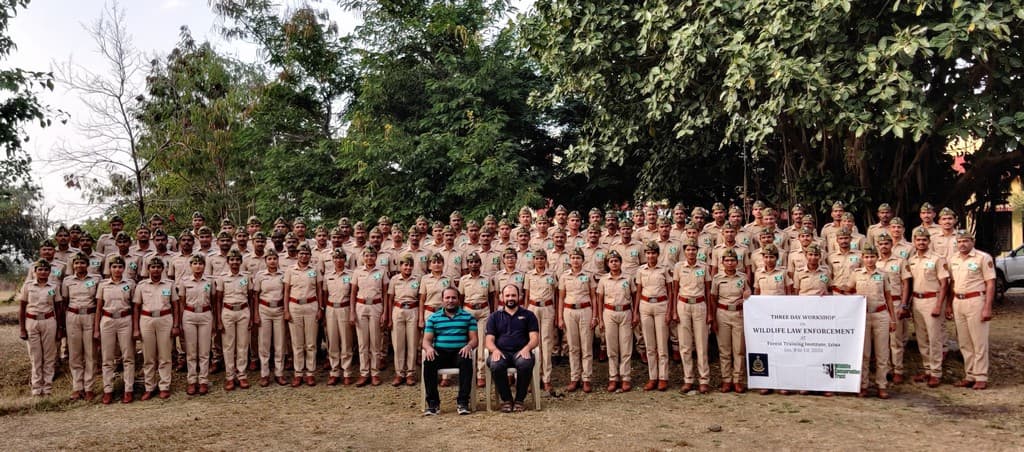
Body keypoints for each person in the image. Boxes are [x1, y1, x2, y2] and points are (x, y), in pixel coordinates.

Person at [948, 229, 995, 390]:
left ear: (972, 242)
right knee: (964, 341)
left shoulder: (983, 258)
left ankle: (981, 376)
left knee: (978, 341)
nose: (962, 244)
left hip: (976, 300)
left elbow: (990, 283)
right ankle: (970, 375)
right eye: (959, 241)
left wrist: (987, 307)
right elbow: (952, 283)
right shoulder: (953, 259)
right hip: (958, 301)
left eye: (965, 241)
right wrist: (949, 304)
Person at [421, 287, 478, 416]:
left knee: (466, 361)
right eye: (447, 298)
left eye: (453, 298)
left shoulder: (468, 317)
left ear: (458, 300)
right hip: (440, 352)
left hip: (460, 352)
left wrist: (469, 346)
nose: (450, 300)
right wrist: (429, 348)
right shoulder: (433, 318)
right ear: (442, 300)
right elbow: (426, 341)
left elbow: (474, 340)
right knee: (429, 362)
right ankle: (433, 404)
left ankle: (463, 403)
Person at [485, 284, 540, 413]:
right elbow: (489, 340)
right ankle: (507, 400)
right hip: (501, 352)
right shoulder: (494, 317)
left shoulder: (529, 315)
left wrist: (527, 348)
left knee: (525, 363)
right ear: (501, 297)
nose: (510, 298)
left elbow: (534, 338)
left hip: (521, 352)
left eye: (513, 295)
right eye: (507, 295)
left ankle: (520, 400)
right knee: (496, 364)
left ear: (519, 297)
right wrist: (495, 350)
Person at [851, 245, 896, 399]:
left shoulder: (883, 275)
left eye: (872, 257)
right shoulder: (856, 274)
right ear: (862, 258)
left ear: (877, 258)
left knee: (882, 353)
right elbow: (850, 292)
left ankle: (881, 385)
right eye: (866, 257)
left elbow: (889, 297)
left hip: (881, 315)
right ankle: (863, 385)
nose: (869, 260)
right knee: (864, 352)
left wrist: (893, 318)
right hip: (862, 317)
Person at [907, 228, 949, 387]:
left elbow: (944, 283)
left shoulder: (938, 259)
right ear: (914, 242)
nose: (921, 242)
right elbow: (910, 284)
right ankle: (927, 370)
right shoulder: (912, 260)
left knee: (934, 338)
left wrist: (939, 305)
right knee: (922, 338)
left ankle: (936, 372)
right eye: (918, 240)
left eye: (924, 240)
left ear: (929, 241)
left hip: (933, 299)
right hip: (917, 301)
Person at [133, 257, 179, 400]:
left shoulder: (169, 285)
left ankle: (164, 386)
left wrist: (176, 325)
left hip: (165, 318)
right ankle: (149, 386)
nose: (156, 270)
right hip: (146, 319)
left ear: (163, 269)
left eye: (159, 267)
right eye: (153, 267)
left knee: (165, 355)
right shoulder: (141, 285)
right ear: (148, 269)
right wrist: (136, 328)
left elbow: (176, 306)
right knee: (149, 356)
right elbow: (136, 307)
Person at [672, 239, 712, 394]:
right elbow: (675, 290)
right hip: (683, 304)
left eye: (694, 249)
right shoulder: (678, 267)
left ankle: (704, 379)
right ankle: (688, 379)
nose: (691, 252)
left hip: (700, 305)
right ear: (684, 251)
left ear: (697, 251)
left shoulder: (704, 267)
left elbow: (708, 291)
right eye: (688, 249)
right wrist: (675, 311)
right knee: (685, 345)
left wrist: (709, 312)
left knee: (701, 344)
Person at [95, 255, 136, 403]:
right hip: (107, 320)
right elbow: (99, 308)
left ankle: (129, 389)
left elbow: (134, 305)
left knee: (128, 356)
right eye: (114, 267)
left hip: (125, 319)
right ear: (109, 268)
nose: (117, 270)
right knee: (107, 358)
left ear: (124, 269)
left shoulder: (130, 284)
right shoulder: (103, 285)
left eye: (120, 267)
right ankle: (108, 389)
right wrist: (96, 329)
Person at [19, 259, 62, 397]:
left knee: (49, 357)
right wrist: (22, 329)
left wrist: (60, 328)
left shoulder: (53, 287)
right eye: (40, 270)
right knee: (35, 357)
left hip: (49, 321)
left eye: (46, 270)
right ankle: (37, 388)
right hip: (32, 321)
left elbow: (58, 308)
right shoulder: (28, 286)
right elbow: (22, 308)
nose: (43, 272)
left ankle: (47, 387)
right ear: (35, 271)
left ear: (49, 272)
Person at [557, 248, 597, 393]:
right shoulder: (564, 276)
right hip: (569, 311)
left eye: (578, 258)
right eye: (573, 257)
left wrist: (594, 316)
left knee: (586, 346)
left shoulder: (588, 275)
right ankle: (575, 378)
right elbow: (561, 297)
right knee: (573, 347)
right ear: (570, 260)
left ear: (582, 260)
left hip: (585, 310)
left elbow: (594, 296)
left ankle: (586, 379)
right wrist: (560, 317)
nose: (575, 260)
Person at [634, 241, 673, 391]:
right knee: (650, 345)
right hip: (645, 305)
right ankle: (652, 377)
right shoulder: (641, 270)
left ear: (658, 254)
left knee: (662, 344)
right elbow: (638, 291)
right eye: (648, 253)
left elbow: (670, 291)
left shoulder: (663, 269)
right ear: (645, 255)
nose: (650, 256)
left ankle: (663, 377)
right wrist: (636, 311)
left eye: (653, 253)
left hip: (661, 305)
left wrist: (669, 311)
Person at [61, 252, 100, 401]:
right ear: (73, 265)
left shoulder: (96, 279)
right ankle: (77, 387)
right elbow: (64, 301)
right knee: (75, 353)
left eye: (82, 263)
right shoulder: (67, 281)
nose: (79, 266)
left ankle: (89, 387)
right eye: (76, 263)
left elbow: (98, 302)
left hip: (89, 315)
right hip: (73, 316)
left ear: (87, 265)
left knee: (90, 353)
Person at [710, 249, 749, 393]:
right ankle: (726, 380)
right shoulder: (717, 278)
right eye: (727, 260)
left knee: (739, 349)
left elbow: (748, 294)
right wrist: (713, 318)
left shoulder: (743, 278)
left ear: (737, 263)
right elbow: (713, 299)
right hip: (722, 313)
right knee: (724, 350)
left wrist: (747, 294)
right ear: (722, 263)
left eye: (732, 260)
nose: (730, 263)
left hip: (739, 313)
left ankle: (738, 380)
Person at [284, 244, 323, 387]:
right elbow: (286, 291)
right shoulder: (290, 271)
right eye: (301, 253)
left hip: (311, 305)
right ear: (297, 255)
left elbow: (319, 289)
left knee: (311, 343)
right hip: (294, 306)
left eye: (306, 253)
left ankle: (310, 373)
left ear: (310, 256)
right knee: (297, 343)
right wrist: (286, 310)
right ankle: (298, 373)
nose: (304, 256)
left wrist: (320, 308)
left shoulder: (315, 270)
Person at [177, 254, 216, 396]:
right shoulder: (184, 281)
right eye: (195, 263)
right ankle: (192, 380)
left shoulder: (209, 281)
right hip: (189, 314)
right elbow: (181, 302)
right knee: (191, 351)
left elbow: (213, 300)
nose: (198, 266)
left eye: (201, 263)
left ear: (204, 265)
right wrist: (181, 320)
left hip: (205, 314)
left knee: (205, 351)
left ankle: (203, 380)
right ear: (190, 265)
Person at [597, 250, 635, 392]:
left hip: (625, 311)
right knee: (612, 348)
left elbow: (634, 295)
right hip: (609, 312)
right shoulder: (603, 280)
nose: (614, 263)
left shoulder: (628, 278)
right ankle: (613, 377)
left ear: (620, 262)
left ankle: (625, 377)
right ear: (608, 264)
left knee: (626, 347)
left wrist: (635, 313)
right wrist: (600, 318)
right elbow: (599, 300)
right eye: (611, 261)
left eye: (616, 261)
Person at [351, 246, 389, 386]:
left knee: (375, 342)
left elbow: (385, 292)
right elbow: (353, 292)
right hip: (361, 306)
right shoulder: (357, 271)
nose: (369, 258)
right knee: (362, 342)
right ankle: (364, 372)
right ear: (363, 257)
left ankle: (375, 373)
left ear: (376, 257)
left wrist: (385, 312)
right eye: (366, 255)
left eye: (372, 255)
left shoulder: (381, 271)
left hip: (376, 306)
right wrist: (352, 311)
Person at [253, 248, 288, 386]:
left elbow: (286, 293)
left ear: (278, 260)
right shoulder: (260, 275)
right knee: (264, 343)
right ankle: (265, 373)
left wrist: (286, 310)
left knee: (279, 343)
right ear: (265, 261)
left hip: (279, 309)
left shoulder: (283, 275)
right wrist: (256, 313)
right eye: (269, 259)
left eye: (274, 259)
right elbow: (255, 295)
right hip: (264, 309)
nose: (272, 261)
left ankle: (279, 373)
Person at [524, 249, 557, 391]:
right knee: (533, 342)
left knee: (547, 342)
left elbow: (555, 294)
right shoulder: (529, 275)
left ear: (546, 259)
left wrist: (556, 313)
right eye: (537, 258)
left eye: (542, 258)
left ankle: (547, 378)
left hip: (547, 308)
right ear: (534, 260)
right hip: (533, 308)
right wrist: (525, 312)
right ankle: (535, 376)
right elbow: (526, 295)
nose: (539, 261)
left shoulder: (551, 275)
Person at [217, 249, 252, 390]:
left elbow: (251, 296)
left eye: (237, 260)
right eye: (232, 260)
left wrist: (252, 316)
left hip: (243, 310)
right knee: (228, 346)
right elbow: (218, 300)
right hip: (228, 311)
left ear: (241, 261)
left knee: (243, 345)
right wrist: (219, 320)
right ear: (228, 262)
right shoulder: (222, 277)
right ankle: (230, 376)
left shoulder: (246, 277)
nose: (235, 262)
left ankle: (242, 375)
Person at [388, 253, 420, 386]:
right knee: (398, 343)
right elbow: (390, 299)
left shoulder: (417, 279)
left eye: (410, 265)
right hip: (398, 310)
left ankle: (410, 373)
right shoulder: (395, 280)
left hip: (413, 310)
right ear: (400, 266)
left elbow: (421, 297)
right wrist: (389, 317)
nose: (408, 267)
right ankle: (400, 373)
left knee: (412, 343)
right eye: (405, 265)